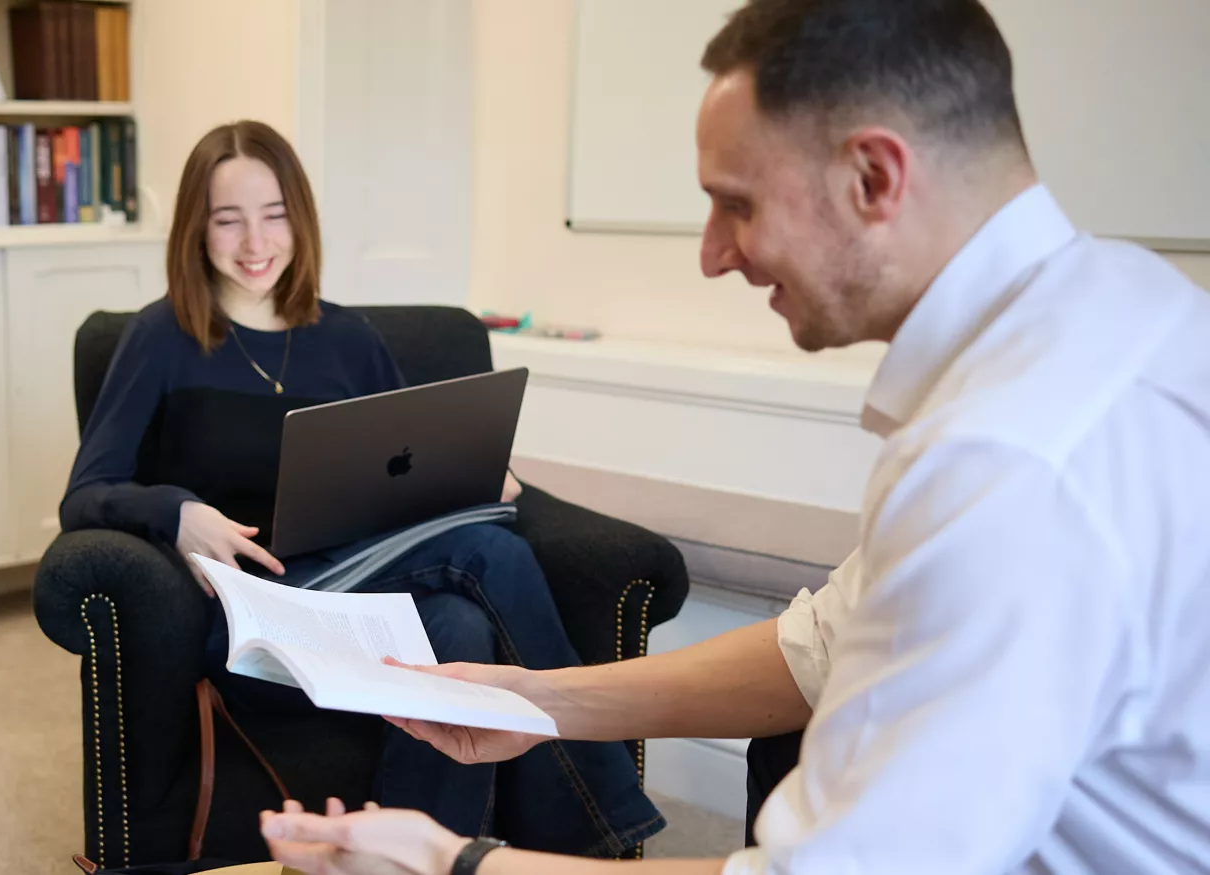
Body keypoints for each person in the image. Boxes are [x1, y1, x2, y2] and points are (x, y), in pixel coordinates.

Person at [257, 0, 1210, 873]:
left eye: (737, 203)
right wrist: (536, 700)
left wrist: (446, 862)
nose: (714, 252)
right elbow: (818, 644)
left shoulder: (1004, 463)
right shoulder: (1127, 305)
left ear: (873, 176)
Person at [59, 120, 661, 857]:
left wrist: (471, 473)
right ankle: (606, 823)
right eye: (228, 219)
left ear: (301, 219)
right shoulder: (160, 337)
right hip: (258, 611)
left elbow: (407, 465)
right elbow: (86, 491)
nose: (256, 242)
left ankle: (398, 862)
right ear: (195, 228)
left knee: (462, 629)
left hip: (369, 594)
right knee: (485, 554)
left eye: (275, 214)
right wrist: (175, 511)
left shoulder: (348, 339)